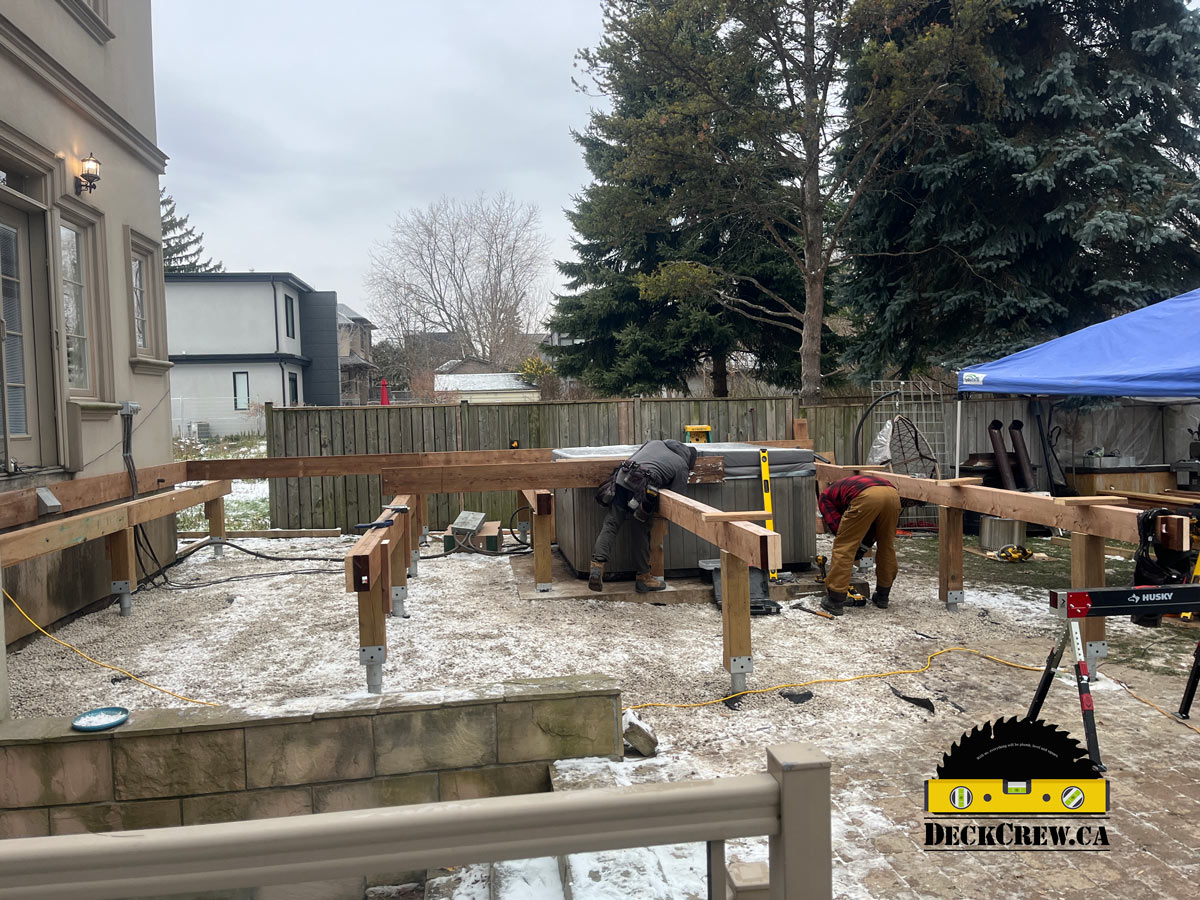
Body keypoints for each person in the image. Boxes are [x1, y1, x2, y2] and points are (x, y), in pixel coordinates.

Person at [590, 439, 697, 593]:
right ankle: (643, 577)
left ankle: (597, 566)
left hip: (621, 478)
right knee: (640, 529)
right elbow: (678, 498)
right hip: (642, 487)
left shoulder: (655, 443)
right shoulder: (681, 465)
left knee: (611, 524)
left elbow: (636, 459)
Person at [817, 474, 901, 616]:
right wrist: (863, 544)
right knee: (886, 545)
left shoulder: (825, 497)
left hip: (866, 496)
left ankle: (835, 599)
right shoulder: (846, 488)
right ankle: (883, 595)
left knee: (844, 546)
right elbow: (872, 528)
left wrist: (857, 546)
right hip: (892, 494)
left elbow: (838, 528)